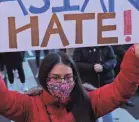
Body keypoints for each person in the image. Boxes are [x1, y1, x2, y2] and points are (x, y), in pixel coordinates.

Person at [0, 44, 139, 122]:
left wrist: (134, 55)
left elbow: (120, 91)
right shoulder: (29, 106)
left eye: (67, 77)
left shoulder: (89, 101)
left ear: (75, 78)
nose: (62, 83)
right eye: (55, 77)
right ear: (44, 78)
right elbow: (3, 100)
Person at [73, 46, 117, 122]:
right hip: (88, 84)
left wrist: (104, 67)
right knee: (91, 110)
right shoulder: (80, 48)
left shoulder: (106, 47)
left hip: (105, 83)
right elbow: (76, 64)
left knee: (107, 109)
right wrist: (91, 67)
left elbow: (113, 60)